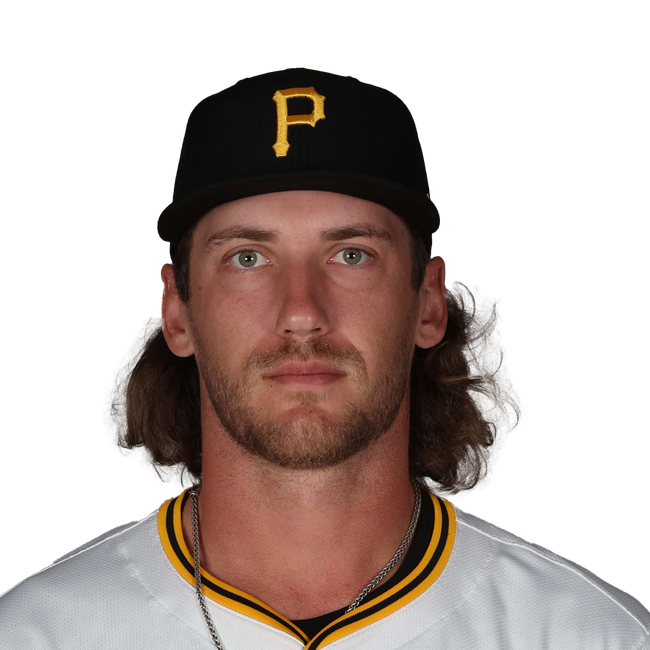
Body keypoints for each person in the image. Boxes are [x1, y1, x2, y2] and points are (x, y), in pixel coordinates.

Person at [1, 67, 647, 649]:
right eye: (248, 258)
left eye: (351, 255)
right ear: (176, 312)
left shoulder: (592, 636)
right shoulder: (35, 635)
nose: (302, 312)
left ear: (428, 303)